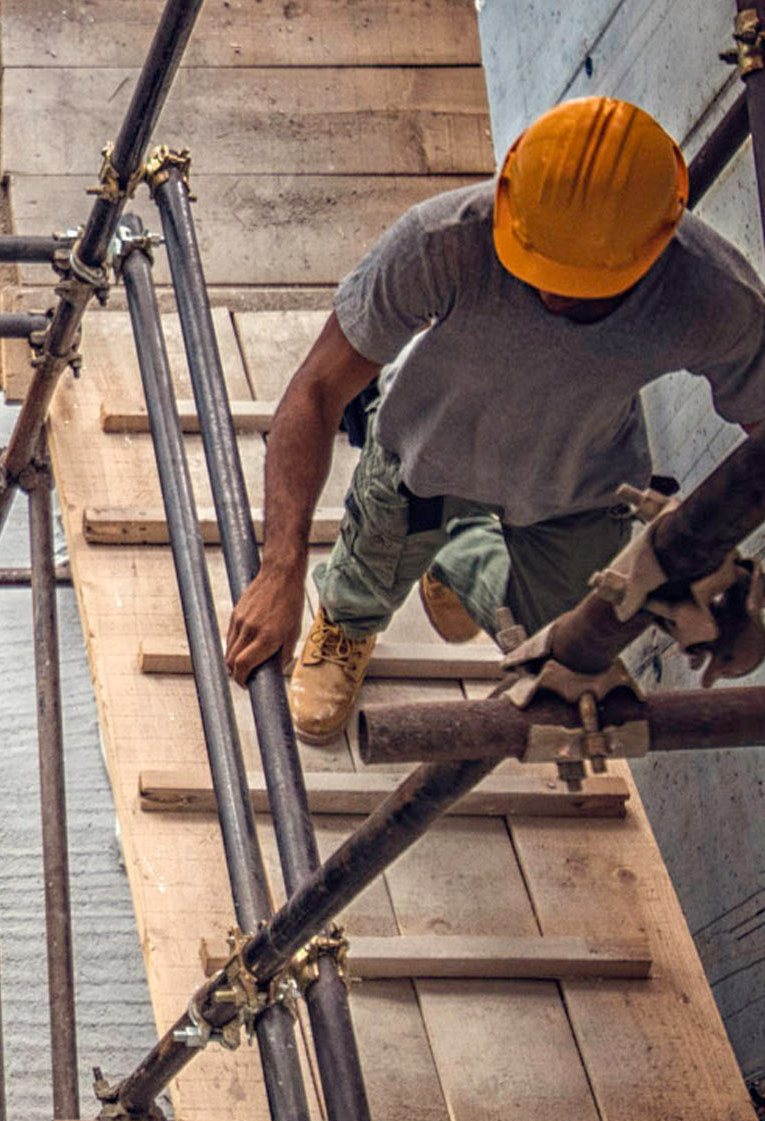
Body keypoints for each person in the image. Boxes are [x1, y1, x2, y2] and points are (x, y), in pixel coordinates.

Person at [222, 96, 765, 741]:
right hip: (426, 456)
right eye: (535, 263)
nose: (550, 293)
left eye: (581, 282)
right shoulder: (441, 241)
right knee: (368, 571)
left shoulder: (707, 296)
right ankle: (348, 623)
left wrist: (727, 582)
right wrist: (280, 570)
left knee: (567, 637)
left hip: (576, 484)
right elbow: (314, 391)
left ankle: (460, 555)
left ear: (653, 249)